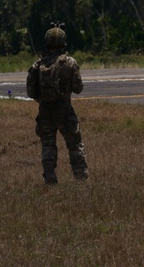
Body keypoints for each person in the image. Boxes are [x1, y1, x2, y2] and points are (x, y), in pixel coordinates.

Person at [26, 25, 89, 184]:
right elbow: (78, 88)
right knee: (75, 144)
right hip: (65, 110)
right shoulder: (70, 63)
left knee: (48, 145)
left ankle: (50, 178)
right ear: (63, 42)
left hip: (45, 111)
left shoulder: (37, 65)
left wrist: (43, 100)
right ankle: (81, 177)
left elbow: (31, 91)